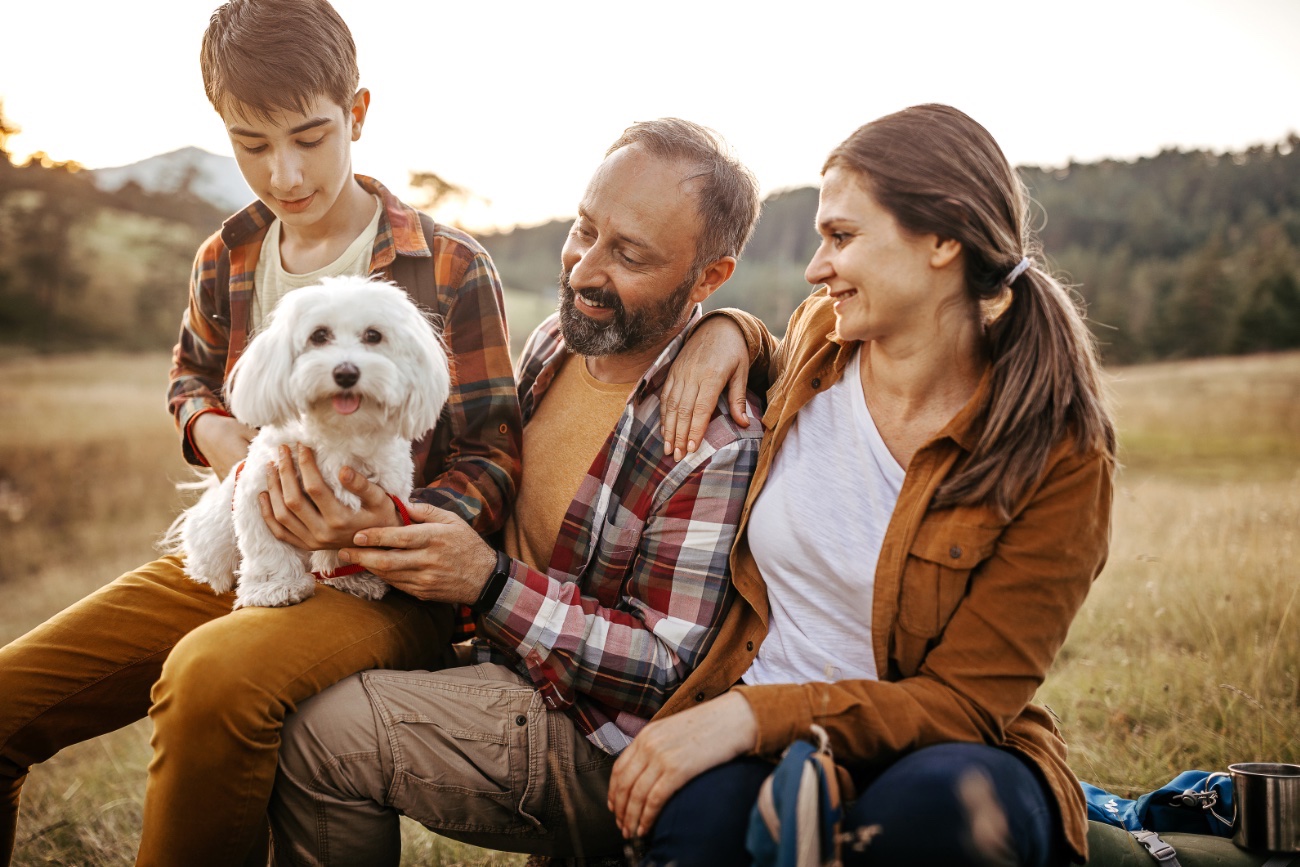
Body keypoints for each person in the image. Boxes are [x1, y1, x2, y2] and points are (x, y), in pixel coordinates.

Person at [0, 2, 521, 865]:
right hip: (244, 543)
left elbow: (495, 451)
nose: (283, 172)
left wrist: (377, 526)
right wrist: (233, 449)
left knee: (208, 678)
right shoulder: (226, 254)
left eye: (310, 137)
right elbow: (190, 380)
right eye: (252, 144)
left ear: (357, 113)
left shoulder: (451, 266)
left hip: (387, 584)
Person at [607, 104, 1117, 866]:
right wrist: (729, 329)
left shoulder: (1059, 455)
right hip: (759, 733)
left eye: (841, 238)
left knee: (946, 816)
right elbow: (769, 352)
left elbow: (966, 702)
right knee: (693, 826)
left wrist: (752, 716)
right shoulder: (821, 341)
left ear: (944, 238)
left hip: (942, 751)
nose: (817, 267)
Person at [264, 118, 765, 864]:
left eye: (628, 254)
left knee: (318, 734)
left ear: (709, 279)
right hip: (492, 662)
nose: (585, 269)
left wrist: (490, 582)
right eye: (584, 229)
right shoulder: (555, 346)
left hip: (597, 735)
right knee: (263, 671)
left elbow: (668, 669)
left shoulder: (715, 440)